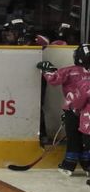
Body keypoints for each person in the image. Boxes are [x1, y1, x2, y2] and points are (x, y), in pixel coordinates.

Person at [37, 44, 90, 175]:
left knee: (73, 137)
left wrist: (47, 70)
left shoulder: (70, 71)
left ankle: (69, 165)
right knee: (86, 139)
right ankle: (87, 164)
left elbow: (54, 79)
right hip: (87, 111)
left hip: (73, 109)